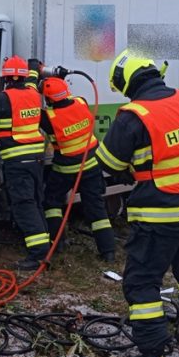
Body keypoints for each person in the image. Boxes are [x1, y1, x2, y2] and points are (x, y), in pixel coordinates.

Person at [97, 49, 179, 357]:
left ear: (126, 83)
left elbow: (109, 164)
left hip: (161, 215)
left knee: (142, 284)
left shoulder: (133, 116)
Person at [0, 56, 49, 270]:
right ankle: (46, 246)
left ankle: (38, 254)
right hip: (36, 160)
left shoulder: (2, 100)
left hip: (17, 160)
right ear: (23, 77)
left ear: (5, 79)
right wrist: (33, 67)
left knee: (24, 205)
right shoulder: (33, 93)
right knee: (35, 202)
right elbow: (32, 79)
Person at [39, 76, 115, 262]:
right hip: (91, 164)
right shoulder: (81, 102)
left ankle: (57, 244)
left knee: (52, 203)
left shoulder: (49, 118)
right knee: (96, 207)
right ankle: (108, 252)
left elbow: (33, 107)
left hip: (65, 169)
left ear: (48, 99)